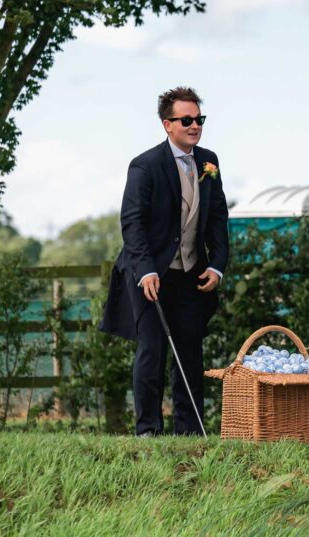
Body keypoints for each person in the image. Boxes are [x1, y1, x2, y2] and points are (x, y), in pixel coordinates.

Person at [99, 87, 229, 436]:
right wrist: (145, 270)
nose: (195, 126)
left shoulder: (208, 162)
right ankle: (148, 430)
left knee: (190, 348)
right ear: (167, 124)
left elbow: (218, 218)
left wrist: (216, 265)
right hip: (149, 272)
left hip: (190, 272)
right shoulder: (145, 165)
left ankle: (190, 430)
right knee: (152, 349)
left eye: (198, 119)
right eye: (186, 120)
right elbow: (132, 221)